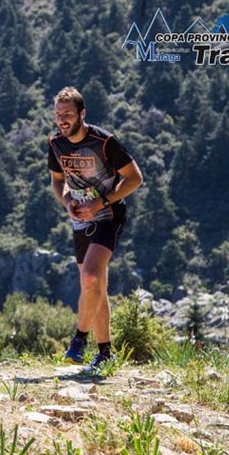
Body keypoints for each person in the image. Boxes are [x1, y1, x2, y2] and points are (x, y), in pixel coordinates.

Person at [47, 86, 143, 373]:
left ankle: (78, 340)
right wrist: (66, 201)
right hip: (79, 220)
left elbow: (135, 178)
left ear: (82, 114)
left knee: (90, 277)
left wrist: (101, 202)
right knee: (95, 285)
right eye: (58, 114)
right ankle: (104, 353)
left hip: (109, 214)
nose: (62, 120)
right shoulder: (56, 144)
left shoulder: (104, 142)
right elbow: (57, 180)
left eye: (67, 114)